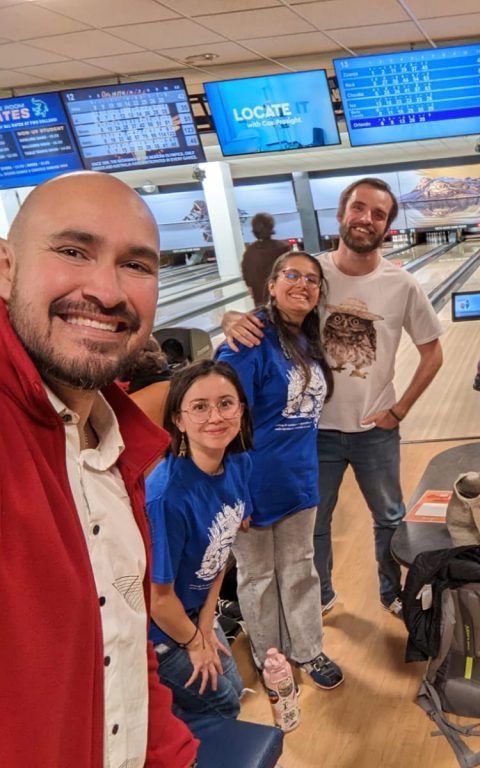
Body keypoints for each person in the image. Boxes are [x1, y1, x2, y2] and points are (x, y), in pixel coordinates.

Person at [0, 172, 196, 766]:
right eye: (72, 251)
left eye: (137, 265)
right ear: (5, 269)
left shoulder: (117, 445)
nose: (108, 292)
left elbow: (124, 644)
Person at [222, 178, 443, 617]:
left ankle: (392, 592)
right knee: (316, 525)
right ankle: (320, 598)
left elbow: (432, 353)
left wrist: (399, 410)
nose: (366, 219)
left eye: (378, 214)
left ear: (387, 226)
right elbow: (272, 313)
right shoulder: (312, 273)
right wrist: (230, 316)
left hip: (374, 431)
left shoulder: (402, 285)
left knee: (390, 517)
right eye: (359, 208)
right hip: (312, 432)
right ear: (342, 213)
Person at [218, 251, 345, 688]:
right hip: (250, 485)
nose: (303, 284)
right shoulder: (249, 340)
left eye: (312, 279)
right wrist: (235, 493)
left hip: (299, 481)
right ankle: (270, 658)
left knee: (300, 569)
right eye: (292, 274)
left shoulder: (307, 338)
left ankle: (308, 651)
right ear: (271, 285)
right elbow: (222, 423)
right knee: (257, 577)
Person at [147, 360, 253, 721]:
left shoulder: (238, 465)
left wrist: (207, 624)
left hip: (194, 610)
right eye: (199, 407)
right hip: (156, 629)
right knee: (224, 703)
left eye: (226, 403)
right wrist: (195, 642)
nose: (215, 416)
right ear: (178, 419)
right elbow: (157, 600)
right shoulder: (166, 497)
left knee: (233, 688)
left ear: (241, 408)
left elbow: (220, 551)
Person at [241, 212, 291, 306]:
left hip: (261, 303)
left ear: (253, 230)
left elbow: (248, 282)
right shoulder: (284, 248)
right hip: (283, 302)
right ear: (271, 227)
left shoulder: (249, 252)